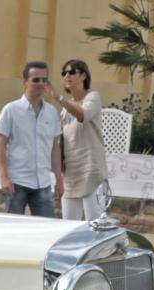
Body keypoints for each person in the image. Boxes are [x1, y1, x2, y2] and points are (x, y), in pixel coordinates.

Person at [0, 60, 64, 217]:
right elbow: (1, 146)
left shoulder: (52, 112)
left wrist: (59, 180)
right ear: (25, 82)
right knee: (13, 231)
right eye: (36, 80)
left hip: (43, 183)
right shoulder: (10, 110)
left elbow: (55, 148)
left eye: (44, 80)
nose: (41, 83)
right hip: (17, 182)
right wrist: (4, 177)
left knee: (46, 230)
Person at [47, 58, 106, 220]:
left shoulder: (93, 97)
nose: (67, 75)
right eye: (64, 73)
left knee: (94, 225)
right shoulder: (67, 106)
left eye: (72, 72)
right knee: (68, 226)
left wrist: (58, 98)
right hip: (71, 172)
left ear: (84, 76)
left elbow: (83, 115)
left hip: (90, 169)